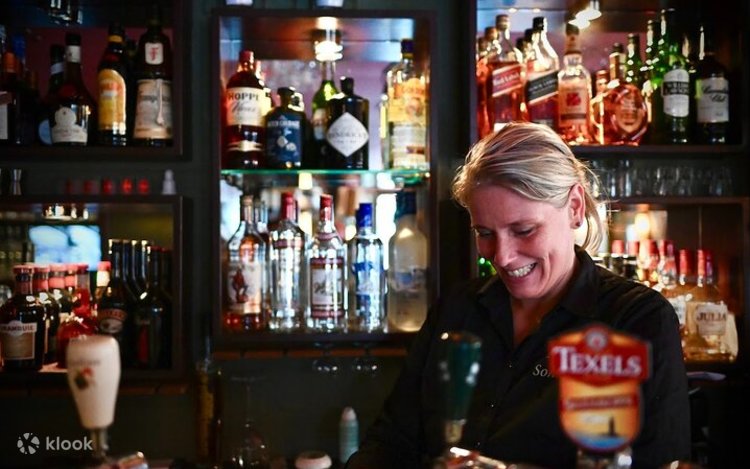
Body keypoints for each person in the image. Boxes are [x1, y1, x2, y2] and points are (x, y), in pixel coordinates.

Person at [346, 122, 690, 468]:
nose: (502, 256)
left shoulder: (636, 321)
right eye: (484, 233)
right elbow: (391, 442)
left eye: (523, 230)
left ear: (574, 207)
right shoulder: (457, 309)